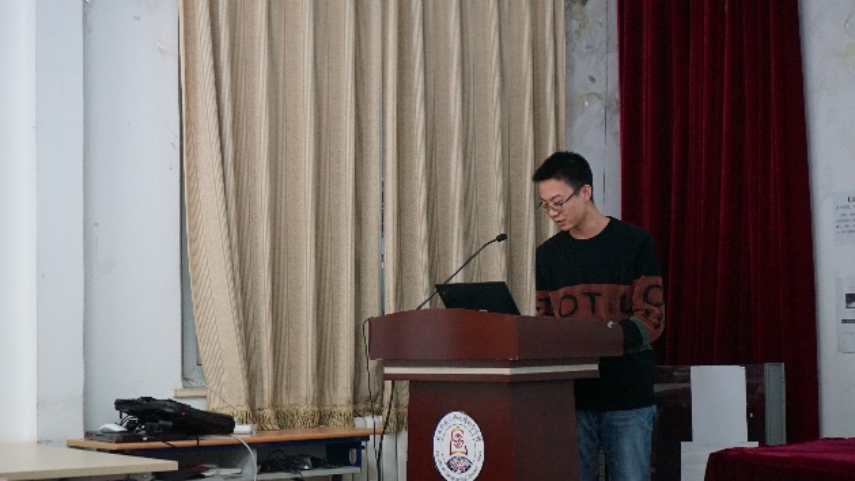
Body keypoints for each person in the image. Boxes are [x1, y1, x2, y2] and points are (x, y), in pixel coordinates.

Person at [531, 151, 665, 481]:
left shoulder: (634, 243)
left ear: (586, 192)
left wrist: (596, 337)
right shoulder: (548, 256)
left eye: (558, 203)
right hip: (573, 398)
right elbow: (545, 322)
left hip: (628, 396)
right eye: (545, 205)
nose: (553, 213)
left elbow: (651, 320)